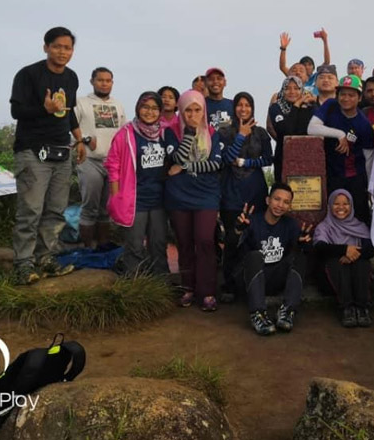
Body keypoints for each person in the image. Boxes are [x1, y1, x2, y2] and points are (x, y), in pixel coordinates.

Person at [9, 26, 82, 285]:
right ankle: (23, 264)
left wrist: (79, 138)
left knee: (56, 210)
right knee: (30, 210)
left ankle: (46, 258)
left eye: (67, 47)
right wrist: (45, 109)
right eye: (57, 46)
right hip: (32, 150)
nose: (63, 52)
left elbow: (69, 110)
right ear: (46, 47)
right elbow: (16, 111)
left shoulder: (71, 77)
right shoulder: (28, 75)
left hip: (62, 150)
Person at [165, 90, 223, 312]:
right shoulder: (171, 132)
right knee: (185, 243)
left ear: (204, 110)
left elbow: (215, 164)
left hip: (207, 195)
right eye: (188, 110)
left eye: (197, 109)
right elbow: (177, 156)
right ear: (181, 111)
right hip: (179, 196)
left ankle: (207, 291)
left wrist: (185, 167)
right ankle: (188, 287)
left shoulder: (212, 133)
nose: (193, 114)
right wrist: (188, 133)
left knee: (205, 241)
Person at [234, 183, 312, 336]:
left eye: (286, 202)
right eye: (277, 199)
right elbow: (233, 248)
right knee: (255, 255)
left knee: (299, 257)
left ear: (289, 206)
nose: (280, 205)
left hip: (275, 278)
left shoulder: (290, 224)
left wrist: (304, 244)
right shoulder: (252, 221)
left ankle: (287, 311)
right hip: (252, 278)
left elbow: (303, 250)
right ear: (267, 200)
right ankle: (258, 314)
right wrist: (238, 230)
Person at [104, 92, 168, 277]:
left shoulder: (165, 132)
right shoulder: (126, 133)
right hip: (134, 199)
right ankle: (135, 283)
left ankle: (161, 283)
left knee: (158, 243)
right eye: (145, 107)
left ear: (160, 111)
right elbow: (113, 164)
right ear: (138, 108)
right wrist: (116, 196)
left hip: (159, 199)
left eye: (154, 108)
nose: (149, 112)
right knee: (135, 244)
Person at [219, 92, 273, 300]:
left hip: (256, 192)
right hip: (231, 193)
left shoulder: (260, 133)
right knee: (233, 239)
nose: (243, 109)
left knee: (254, 239)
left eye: (247, 105)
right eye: (239, 105)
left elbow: (269, 159)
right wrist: (240, 134)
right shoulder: (224, 133)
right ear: (234, 109)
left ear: (252, 108)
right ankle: (229, 284)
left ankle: (253, 281)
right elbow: (225, 159)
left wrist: (248, 163)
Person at [307, 75, 374, 223]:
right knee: (332, 217)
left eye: (351, 95)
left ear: (359, 98)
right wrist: (339, 134)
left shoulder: (364, 125)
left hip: (355, 178)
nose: (346, 98)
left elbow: (369, 159)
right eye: (342, 94)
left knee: (359, 217)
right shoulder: (331, 105)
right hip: (331, 175)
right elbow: (311, 128)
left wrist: (370, 188)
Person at [74, 67, 127, 248]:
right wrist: (86, 139)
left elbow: (123, 132)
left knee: (106, 209)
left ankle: (103, 246)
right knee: (90, 207)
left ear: (112, 83)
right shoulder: (81, 103)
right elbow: (70, 127)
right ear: (92, 81)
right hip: (89, 161)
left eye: (108, 80)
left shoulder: (118, 105)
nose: (104, 83)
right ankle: (87, 248)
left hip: (112, 163)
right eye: (100, 80)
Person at [314, 189, 374, 328]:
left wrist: (352, 255)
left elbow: (371, 249)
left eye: (345, 204)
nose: (341, 207)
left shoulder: (359, 226)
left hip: (357, 277)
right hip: (332, 281)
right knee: (335, 262)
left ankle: (362, 307)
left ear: (351, 206)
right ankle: (347, 308)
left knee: (362, 263)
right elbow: (320, 248)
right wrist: (344, 250)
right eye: (336, 204)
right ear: (329, 206)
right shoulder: (324, 227)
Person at [267, 76, 315, 183]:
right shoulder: (276, 108)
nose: (292, 91)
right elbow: (286, 131)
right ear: (282, 91)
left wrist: (303, 106)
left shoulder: (310, 107)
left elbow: (304, 130)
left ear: (302, 90)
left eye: (296, 88)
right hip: (284, 158)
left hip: (306, 158)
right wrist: (297, 105)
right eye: (287, 88)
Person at [278, 29, 330, 96]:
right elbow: (282, 66)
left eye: (310, 64)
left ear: (313, 68)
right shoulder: (294, 75)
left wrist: (325, 40)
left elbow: (327, 62)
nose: (307, 67)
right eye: (304, 65)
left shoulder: (316, 77)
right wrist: (283, 49)